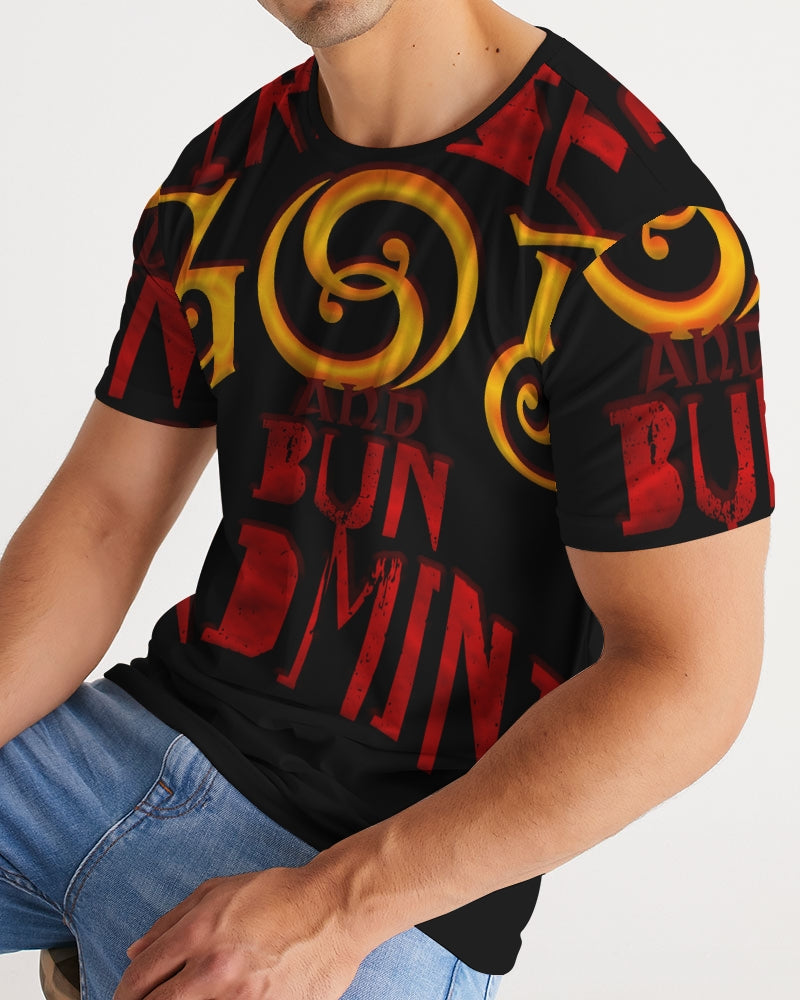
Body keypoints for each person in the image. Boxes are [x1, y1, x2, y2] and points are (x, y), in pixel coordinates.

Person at [0, 1, 775, 998]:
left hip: (371, 866)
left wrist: (337, 908)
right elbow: (105, 512)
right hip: (118, 743)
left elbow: (689, 678)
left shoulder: (634, 226)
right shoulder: (223, 174)